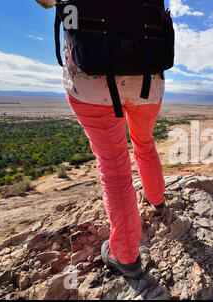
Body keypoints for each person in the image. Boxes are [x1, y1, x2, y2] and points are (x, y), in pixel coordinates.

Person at [36, 0, 169, 277]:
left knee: (114, 167)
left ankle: (125, 254)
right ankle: (157, 200)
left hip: (90, 79)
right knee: (144, 142)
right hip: (147, 76)